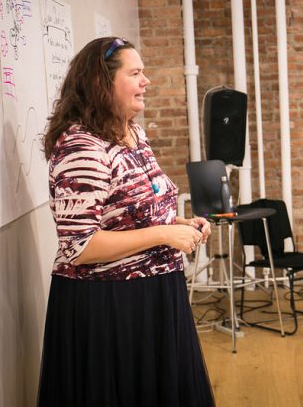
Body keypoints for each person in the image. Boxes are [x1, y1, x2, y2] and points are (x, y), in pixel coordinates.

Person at [37, 37, 215, 406]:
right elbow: (79, 247)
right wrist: (164, 233)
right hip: (110, 307)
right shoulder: (81, 147)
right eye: (135, 73)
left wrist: (180, 224)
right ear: (103, 84)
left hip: (154, 296)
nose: (145, 81)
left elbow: (137, 212)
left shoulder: (134, 134)